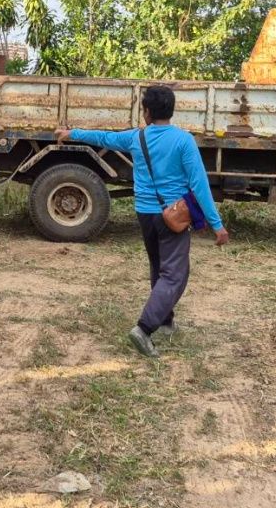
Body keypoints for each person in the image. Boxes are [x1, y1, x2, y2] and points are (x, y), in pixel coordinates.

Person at [53, 85, 228, 359]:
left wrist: (71, 133)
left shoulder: (137, 138)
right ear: (171, 110)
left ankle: (166, 322)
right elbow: (199, 184)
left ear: (146, 112)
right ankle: (145, 329)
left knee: (159, 268)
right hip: (173, 216)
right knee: (175, 275)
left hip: (145, 213)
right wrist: (217, 225)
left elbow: (103, 138)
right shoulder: (184, 141)